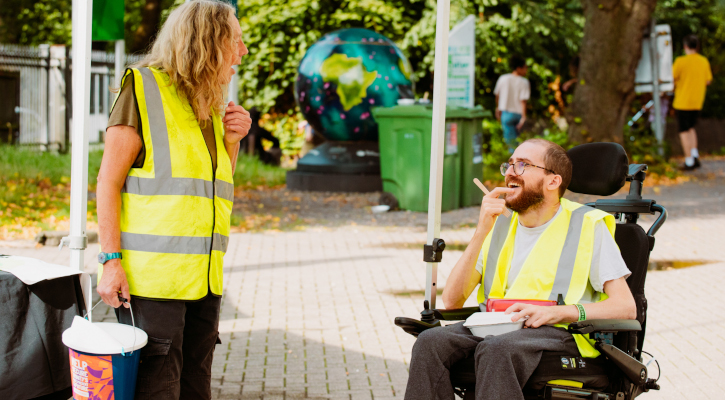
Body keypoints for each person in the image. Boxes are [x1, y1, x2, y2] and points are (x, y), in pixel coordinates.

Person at [95, 1, 251, 398]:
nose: (243, 50)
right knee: (157, 390)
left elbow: (213, 188)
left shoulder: (210, 102)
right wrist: (110, 262)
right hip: (152, 285)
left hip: (203, 283)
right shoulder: (143, 88)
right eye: (235, 40)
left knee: (195, 388)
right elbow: (107, 182)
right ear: (208, 41)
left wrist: (231, 143)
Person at [404, 139, 637, 400]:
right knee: (429, 342)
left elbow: (626, 307)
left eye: (523, 165)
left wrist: (558, 313)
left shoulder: (587, 225)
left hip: (559, 332)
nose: (511, 172)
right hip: (495, 326)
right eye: (510, 164)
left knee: (496, 350)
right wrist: (482, 229)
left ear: (553, 182)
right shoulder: (499, 225)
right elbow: (452, 300)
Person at [673, 34, 713, 170]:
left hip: (683, 101)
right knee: (691, 128)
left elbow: (671, 78)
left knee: (683, 130)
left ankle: (689, 160)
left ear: (685, 46)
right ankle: (694, 154)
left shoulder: (680, 61)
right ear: (697, 46)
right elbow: (708, 80)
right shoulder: (703, 61)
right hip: (697, 101)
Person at [494, 55, 530, 152]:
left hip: (505, 114)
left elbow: (497, 95)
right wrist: (524, 117)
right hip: (518, 114)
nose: (526, 70)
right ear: (519, 68)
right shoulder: (524, 82)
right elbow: (523, 101)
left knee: (510, 143)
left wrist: (497, 108)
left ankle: (512, 163)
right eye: (525, 67)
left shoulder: (503, 78)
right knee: (521, 143)